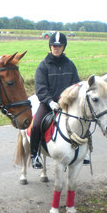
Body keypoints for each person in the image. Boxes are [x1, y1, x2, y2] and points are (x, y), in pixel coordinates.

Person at [30, 32, 80, 169]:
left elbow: (76, 85)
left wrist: (71, 98)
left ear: (63, 47)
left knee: (82, 121)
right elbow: (40, 88)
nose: (56, 48)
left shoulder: (70, 65)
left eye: (59, 46)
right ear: (50, 46)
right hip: (48, 104)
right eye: (54, 46)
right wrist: (49, 101)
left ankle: (85, 153)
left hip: (67, 104)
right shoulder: (43, 66)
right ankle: (35, 156)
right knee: (36, 125)